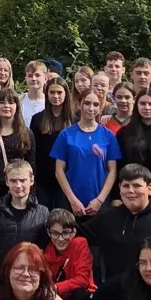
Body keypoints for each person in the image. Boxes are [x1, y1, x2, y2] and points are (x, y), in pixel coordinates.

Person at [85, 165, 151, 283]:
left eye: (137, 186)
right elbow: (74, 233)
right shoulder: (107, 219)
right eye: (126, 186)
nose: (131, 191)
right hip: (116, 296)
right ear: (120, 188)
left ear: (150, 188)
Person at [52, 91, 121, 221]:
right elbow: (59, 171)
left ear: (101, 107)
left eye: (96, 104)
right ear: (79, 105)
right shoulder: (66, 134)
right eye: (87, 103)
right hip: (71, 203)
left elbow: (112, 170)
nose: (91, 108)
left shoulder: (108, 135)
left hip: (99, 202)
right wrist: (73, 200)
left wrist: (100, 200)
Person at [0, 160, 49, 277]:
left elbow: (46, 252)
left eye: (22, 180)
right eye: (13, 181)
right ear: (7, 181)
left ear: (31, 180)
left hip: (29, 276)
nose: (18, 185)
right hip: (1, 276)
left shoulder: (43, 213)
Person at [43, 208, 95, 300]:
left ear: (73, 232)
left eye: (65, 233)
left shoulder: (80, 244)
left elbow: (82, 280)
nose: (60, 239)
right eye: (55, 233)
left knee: (80, 296)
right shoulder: (46, 252)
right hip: (56, 298)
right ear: (48, 233)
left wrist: (55, 288)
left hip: (78, 298)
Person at [29, 77, 75, 208]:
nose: (56, 96)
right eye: (52, 92)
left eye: (59, 92)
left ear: (66, 94)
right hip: (43, 179)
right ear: (46, 94)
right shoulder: (38, 119)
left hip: (67, 179)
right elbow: (32, 151)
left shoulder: (75, 120)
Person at [19, 61, 48, 127]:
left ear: (45, 78)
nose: (33, 79)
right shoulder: (18, 101)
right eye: (30, 76)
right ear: (26, 79)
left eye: (37, 75)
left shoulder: (50, 102)